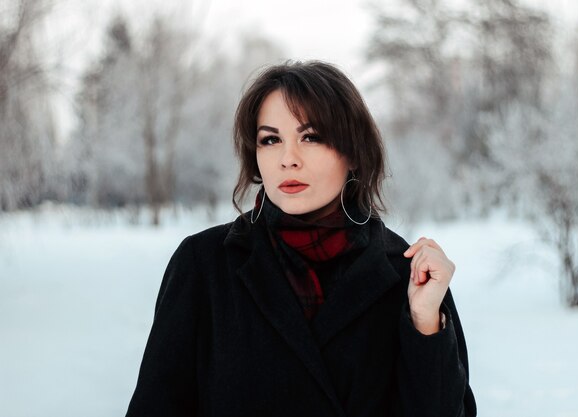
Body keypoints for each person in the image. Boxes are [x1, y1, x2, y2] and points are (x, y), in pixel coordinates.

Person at [126, 60, 477, 417]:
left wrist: (425, 325)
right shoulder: (204, 264)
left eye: (310, 137)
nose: (287, 159)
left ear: (353, 152)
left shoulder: (407, 274)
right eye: (270, 139)